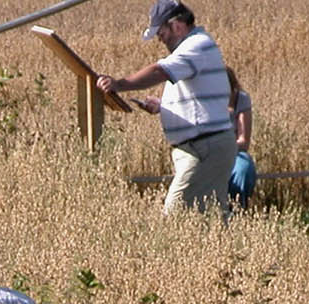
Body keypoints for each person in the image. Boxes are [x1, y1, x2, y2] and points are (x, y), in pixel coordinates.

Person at [96, 1, 237, 218]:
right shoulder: (198, 47)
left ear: (177, 26)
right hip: (206, 146)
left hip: (204, 148)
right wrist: (163, 107)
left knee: (175, 218)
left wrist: (119, 84)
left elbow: (159, 71)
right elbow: (198, 100)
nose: (160, 39)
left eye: (162, 33)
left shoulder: (196, 46)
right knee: (210, 220)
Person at [227, 67, 255, 210]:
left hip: (235, 151)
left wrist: (225, 147)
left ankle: (239, 210)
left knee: (243, 169)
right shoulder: (206, 101)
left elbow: (244, 141)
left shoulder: (242, 99)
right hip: (209, 151)